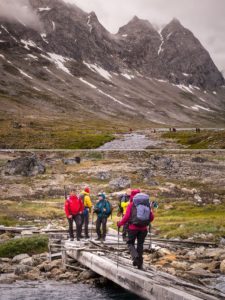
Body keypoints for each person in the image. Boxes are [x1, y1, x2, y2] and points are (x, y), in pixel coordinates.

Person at [117, 191, 154, 270]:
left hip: (133, 228)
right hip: (143, 229)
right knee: (140, 245)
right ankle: (140, 265)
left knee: (130, 243)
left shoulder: (131, 205)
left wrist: (120, 224)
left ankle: (135, 257)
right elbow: (151, 218)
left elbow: (126, 217)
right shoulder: (147, 205)